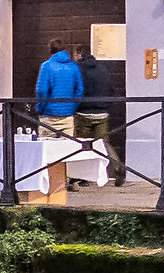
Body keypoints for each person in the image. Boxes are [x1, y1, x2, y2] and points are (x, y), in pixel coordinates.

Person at [75, 44, 122, 183]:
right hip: (102, 113)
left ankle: (84, 178)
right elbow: (110, 89)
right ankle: (119, 168)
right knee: (104, 143)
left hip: (84, 113)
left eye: (75, 55)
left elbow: (77, 90)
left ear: (79, 55)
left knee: (82, 145)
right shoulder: (102, 69)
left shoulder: (78, 70)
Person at [33, 44, 83, 142]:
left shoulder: (46, 66)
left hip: (48, 116)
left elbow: (41, 91)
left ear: (51, 50)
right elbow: (79, 91)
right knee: (67, 152)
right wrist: (72, 107)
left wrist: (40, 108)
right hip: (67, 116)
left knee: (47, 152)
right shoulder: (74, 67)